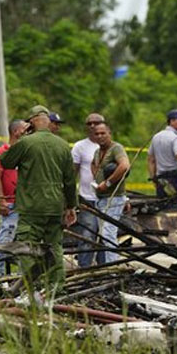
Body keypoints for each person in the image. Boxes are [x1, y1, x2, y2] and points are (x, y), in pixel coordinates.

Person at [0, 105, 77, 296]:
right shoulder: (63, 145)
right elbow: (69, 180)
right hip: (55, 206)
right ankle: (56, 289)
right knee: (55, 247)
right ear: (48, 122)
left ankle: (29, 288)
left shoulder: (26, 143)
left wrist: (18, 138)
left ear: (31, 122)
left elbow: (5, 162)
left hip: (31, 206)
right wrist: (71, 206)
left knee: (28, 247)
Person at [0, 119, 28, 279]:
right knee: (5, 239)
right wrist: (2, 201)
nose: (28, 132)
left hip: (26, 205)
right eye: (25, 129)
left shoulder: (27, 153)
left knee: (25, 242)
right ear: (16, 131)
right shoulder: (2, 152)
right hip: (10, 204)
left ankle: (21, 278)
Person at [90, 123, 131, 265]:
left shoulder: (116, 148)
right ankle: (107, 264)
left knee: (108, 233)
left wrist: (107, 183)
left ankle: (113, 266)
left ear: (109, 134)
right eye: (97, 134)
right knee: (103, 234)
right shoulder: (97, 152)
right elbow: (93, 164)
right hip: (101, 198)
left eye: (103, 133)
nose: (100, 136)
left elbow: (124, 166)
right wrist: (96, 178)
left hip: (113, 198)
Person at [71, 113, 103, 268]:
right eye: (89, 123)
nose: (92, 126)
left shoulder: (111, 146)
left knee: (105, 235)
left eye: (96, 122)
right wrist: (70, 198)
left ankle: (105, 267)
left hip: (106, 199)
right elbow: (73, 173)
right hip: (87, 198)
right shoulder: (80, 146)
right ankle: (84, 268)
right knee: (87, 234)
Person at [148, 109, 177, 210]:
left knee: (162, 210)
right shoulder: (176, 138)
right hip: (175, 180)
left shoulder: (156, 137)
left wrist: (154, 178)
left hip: (161, 180)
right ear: (172, 121)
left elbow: (151, 160)